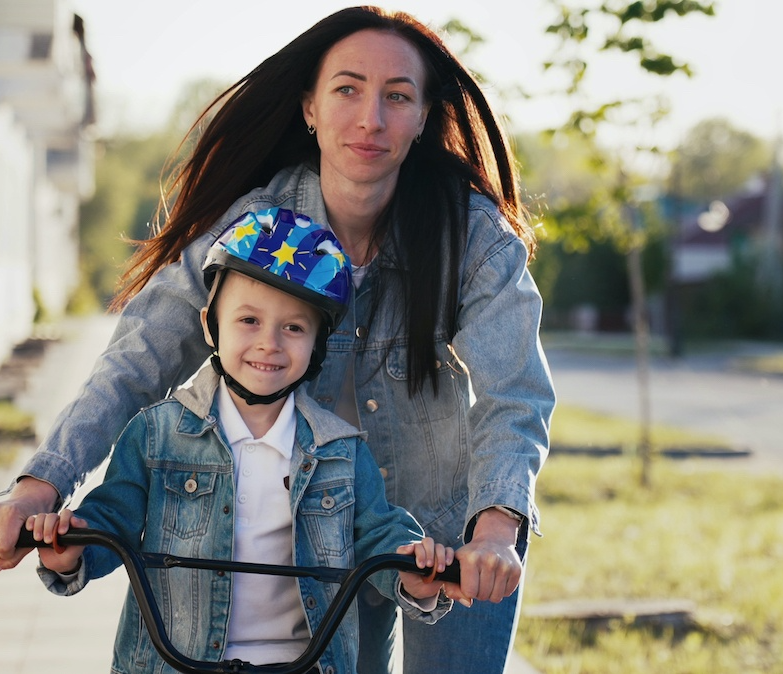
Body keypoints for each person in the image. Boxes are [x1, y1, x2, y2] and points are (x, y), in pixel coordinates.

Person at [0, 6, 555, 673]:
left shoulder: (471, 234)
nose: (370, 118)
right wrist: (40, 484)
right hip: (327, 526)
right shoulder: (255, 229)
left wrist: (495, 530)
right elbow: (138, 359)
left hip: (457, 530)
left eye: (397, 96)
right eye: (347, 89)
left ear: (422, 118)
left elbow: (515, 392)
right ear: (309, 107)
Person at [24, 208, 459, 674]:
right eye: (248, 320)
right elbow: (112, 520)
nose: (269, 342)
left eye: (293, 327)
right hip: (178, 663)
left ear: (317, 345)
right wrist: (71, 553)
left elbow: (379, 531)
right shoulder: (156, 435)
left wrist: (415, 570)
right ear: (211, 325)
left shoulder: (341, 451)